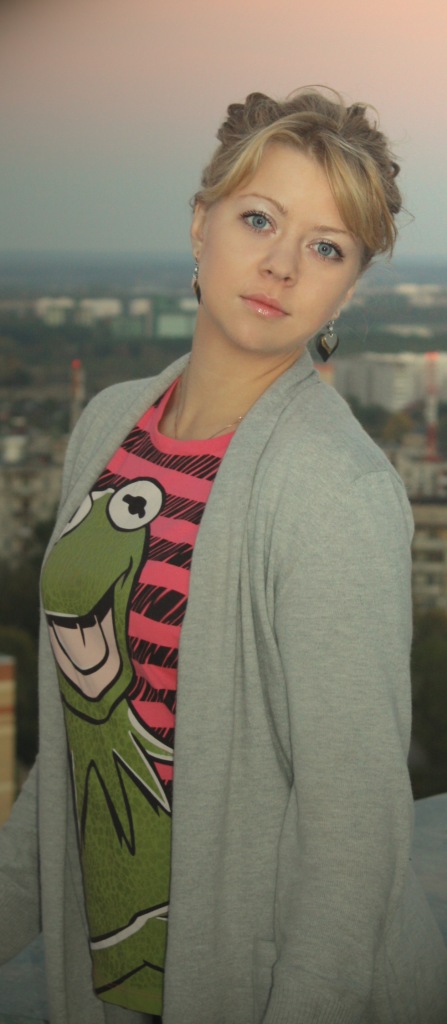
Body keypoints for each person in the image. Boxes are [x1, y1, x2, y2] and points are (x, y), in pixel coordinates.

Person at [0, 87, 446, 1024]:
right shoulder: (106, 426)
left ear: (347, 289)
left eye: (326, 248)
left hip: (260, 982)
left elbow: (353, 835)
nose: (281, 265)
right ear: (200, 222)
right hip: (110, 978)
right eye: (258, 219)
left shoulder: (333, 489)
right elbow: (76, 732)